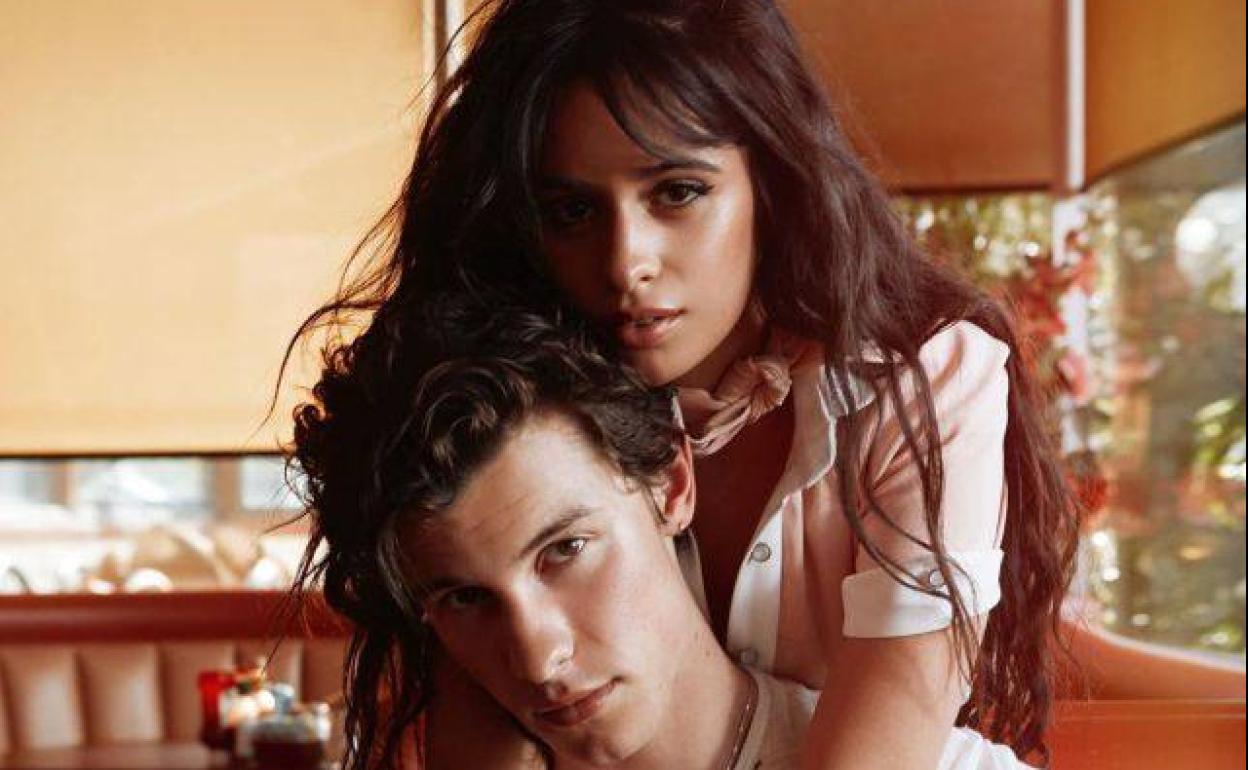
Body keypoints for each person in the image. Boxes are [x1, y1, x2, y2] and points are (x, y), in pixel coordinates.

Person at [289, 1, 1241, 768]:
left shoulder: (917, 386)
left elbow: (897, 725)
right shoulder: (517, 421)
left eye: (678, 192)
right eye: (571, 211)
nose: (626, 262)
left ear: (771, 179)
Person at [290, 299, 818, 769]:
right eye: (466, 597)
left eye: (566, 549)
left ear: (671, 484)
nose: (538, 662)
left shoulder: (845, 748)